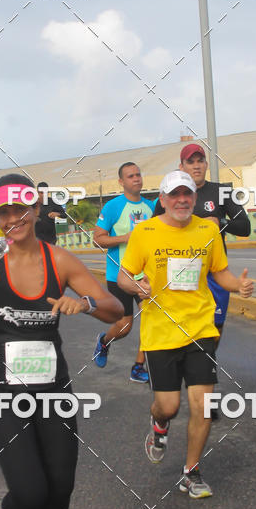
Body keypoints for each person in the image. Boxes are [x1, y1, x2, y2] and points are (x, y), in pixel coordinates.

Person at [0, 174, 122, 509]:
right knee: (30, 490)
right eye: (4, 212)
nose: (13, 219)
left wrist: (87, 304)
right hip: (2, 388)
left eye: (21, 209)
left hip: (52, 386)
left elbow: (114, 308)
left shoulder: (60, 261)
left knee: (60, 486)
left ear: (37, 210)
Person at [118, 170, 254, 498]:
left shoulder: (207, 228)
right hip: (161, 332)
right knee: (168, 405)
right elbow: (124, 276)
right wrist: (136, 286)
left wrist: (239, 285)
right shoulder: (145, 232)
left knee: (203, 405)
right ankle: (159, 425)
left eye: (187, 194)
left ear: (194, 198)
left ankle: (190, 472)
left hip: (200, 328)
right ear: (162, 199)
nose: (182, 200)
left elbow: (219, 272)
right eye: (174, 194)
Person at [154, 143, 251, 340]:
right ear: (182, 167)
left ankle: (206, 367)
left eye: (200, 161)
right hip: (181, 272)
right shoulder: (170, 196)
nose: (196, 166)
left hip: (215, 273)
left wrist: (220, 222)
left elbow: (245, 227)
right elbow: (153, 232)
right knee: (183, 329)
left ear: (206, 164)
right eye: (190, 162)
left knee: (215, 330)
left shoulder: (222, 192)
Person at [92, 162, 155, 382]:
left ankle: (139, 366)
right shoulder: (112, 207)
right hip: (118, 275)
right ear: (121, 182)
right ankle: (104, 342)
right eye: (130, 176)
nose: (136, 179)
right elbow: (97, 240)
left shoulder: (151, 207)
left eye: (138, 174)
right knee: (126, 326)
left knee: (151, 320)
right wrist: (125, 238)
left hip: (145, 275)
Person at [34, 180, 67, 245]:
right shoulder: (33, 203)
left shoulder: (53, 202)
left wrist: (57, 214)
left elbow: (64, 215)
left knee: (49, 254)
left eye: (45, 192)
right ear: (37, 192)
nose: (43, 195)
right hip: (37, 237)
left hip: (51, 238)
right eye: (41, 193)